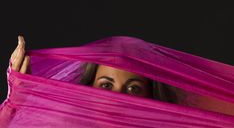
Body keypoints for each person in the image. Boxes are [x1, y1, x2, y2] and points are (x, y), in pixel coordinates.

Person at [10, 35, 176, 101]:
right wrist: (19, 103)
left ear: (152, 95)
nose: (117, 97)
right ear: (90, 89)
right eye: (106, 85)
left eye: (134, 88)